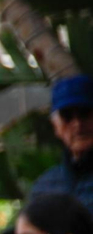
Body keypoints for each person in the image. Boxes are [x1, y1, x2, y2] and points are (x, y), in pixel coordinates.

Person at [31, 76, 93, 212]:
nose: (77, 124)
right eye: (67, 116)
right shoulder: (45, 185)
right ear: (55, 126)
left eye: (85, 113)